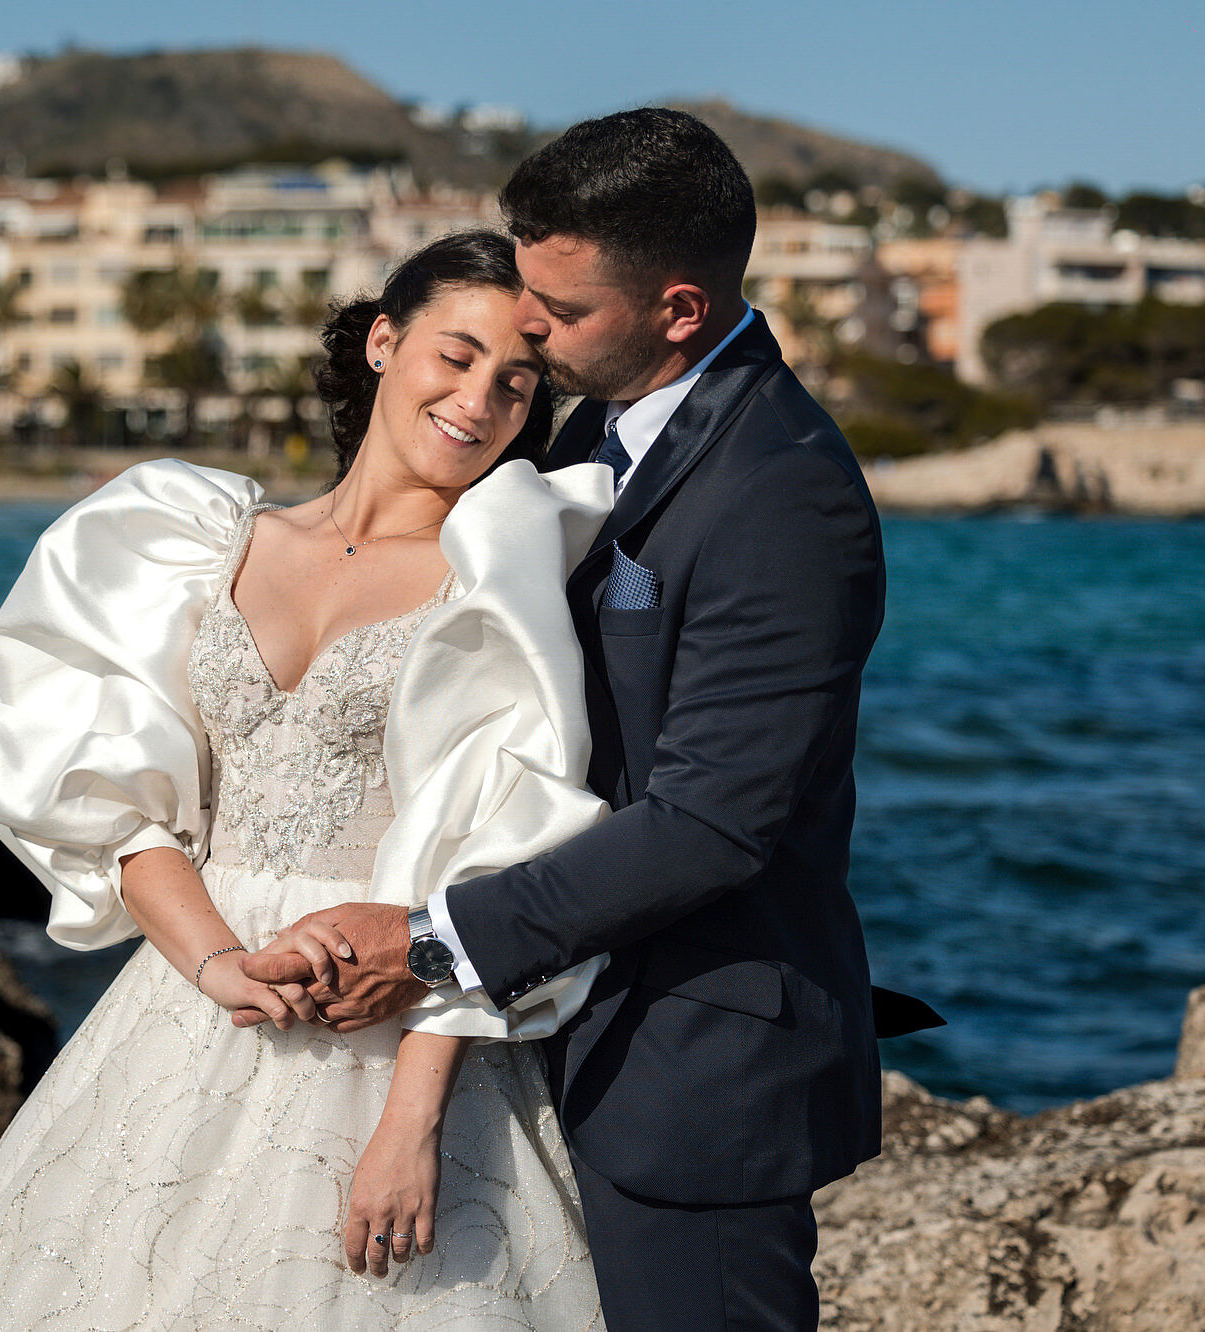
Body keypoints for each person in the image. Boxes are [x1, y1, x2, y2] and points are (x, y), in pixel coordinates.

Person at [244, 109, 938, 1331]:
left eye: (557, 315)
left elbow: (714, 823)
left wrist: (425, 940)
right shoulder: (593, 422)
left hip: (694, 1064)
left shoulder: (780, 494)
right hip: (548, 1036)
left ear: (677, 309)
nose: (531, 329)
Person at [0, 230, 623, 1330]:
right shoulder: (193, 537)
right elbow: (114, 804)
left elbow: (497, 851)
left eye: (517, 382)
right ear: (382, 341)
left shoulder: (502, 579)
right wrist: (214, 961)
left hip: (392, 1020)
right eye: (453, 356)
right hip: (191, 1005)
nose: (480, 399)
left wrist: (411, 1124)